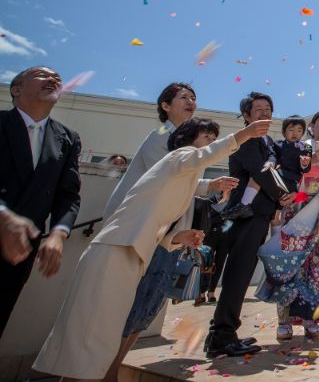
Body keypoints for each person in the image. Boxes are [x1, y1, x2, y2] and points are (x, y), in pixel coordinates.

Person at [33, 117, 271, 382]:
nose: (211, 143)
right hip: (116, 247)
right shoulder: (181, 155)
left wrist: (179, 236)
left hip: (133, 252)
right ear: (188, 138)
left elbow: (162, 217)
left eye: (214, 139)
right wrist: (243, 135)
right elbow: (198, 159)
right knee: (91, 331)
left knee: (101, 332)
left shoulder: (181, 180)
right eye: (207, 137)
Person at [101, 83, 238, 382]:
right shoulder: (162, 138)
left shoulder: (186, 147)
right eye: (183, 98)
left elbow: (184, 180)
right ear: (165, 105)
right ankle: (106, 371)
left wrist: (209, 186)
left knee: (147, 307)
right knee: (129, 308)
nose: (191, 102)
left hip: (165, 239)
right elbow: (169, 177)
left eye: (194, 98)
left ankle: (113, 369)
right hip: (141, 235)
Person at [205, 93, 294, 358]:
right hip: (246, 216)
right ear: (246, 115)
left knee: (242, 275)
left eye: (268, 109)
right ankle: (221, 337)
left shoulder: (268, 142)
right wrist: (282, 196)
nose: (264, 113)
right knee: (237, 275)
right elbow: (260, 172)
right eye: (258, 110)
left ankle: (226, 332)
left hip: (260, 216)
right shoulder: (245, 139)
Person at [0, 67, 81, 336]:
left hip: (20, 254)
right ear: (16, 89)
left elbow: (68, 195)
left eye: (58, 77)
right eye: (41, 75)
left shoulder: (67, 139)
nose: (55, 79)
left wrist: (58, 234)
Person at [256, 110, 319, 340]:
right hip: (296, 214)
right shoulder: (297, 147)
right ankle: (284, 320)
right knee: (290, 266)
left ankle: (312, 319)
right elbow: (286, 177)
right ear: (312, 126)